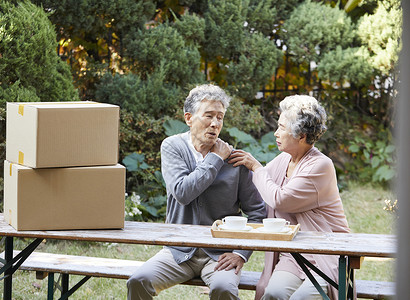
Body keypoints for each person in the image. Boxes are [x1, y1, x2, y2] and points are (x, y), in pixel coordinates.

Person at [127, 84, 267, 300]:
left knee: (224, 289)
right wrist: (215, 159)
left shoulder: (234, 161)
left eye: (220, 117)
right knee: (138, 281)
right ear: (189, 118)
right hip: (178, 252)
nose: (215, 123)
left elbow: (258, 212)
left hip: (220, 255)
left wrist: (240, 254)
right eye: (209, 116)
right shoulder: (173, 147)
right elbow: (182, 192)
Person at [229, 95, 350, 300]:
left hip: (326, 254)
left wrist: (256, 167)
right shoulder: (285, 158)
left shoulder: (320, 166)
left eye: (282, 128)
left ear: (301, 135)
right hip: (294, 255)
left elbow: (279, 199)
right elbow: (259, 184)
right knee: (272, 294)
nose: (276, 133)